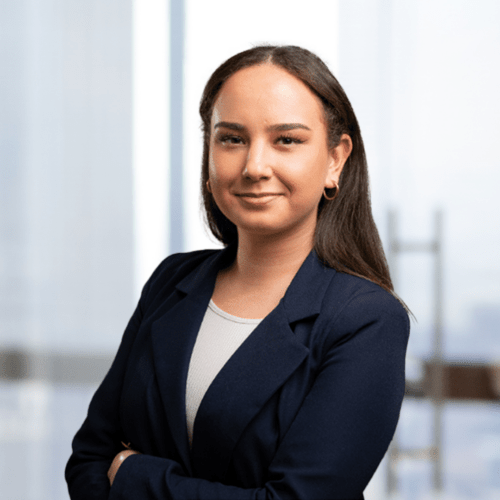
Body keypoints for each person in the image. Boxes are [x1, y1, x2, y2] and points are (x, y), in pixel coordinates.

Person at [65, 45, 409, 500]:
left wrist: (132, 476)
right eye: (232, 139)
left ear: (335, 160)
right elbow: (89, 459)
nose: (254, 167)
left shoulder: (365, 320)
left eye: (286, 140)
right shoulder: (173, 281)